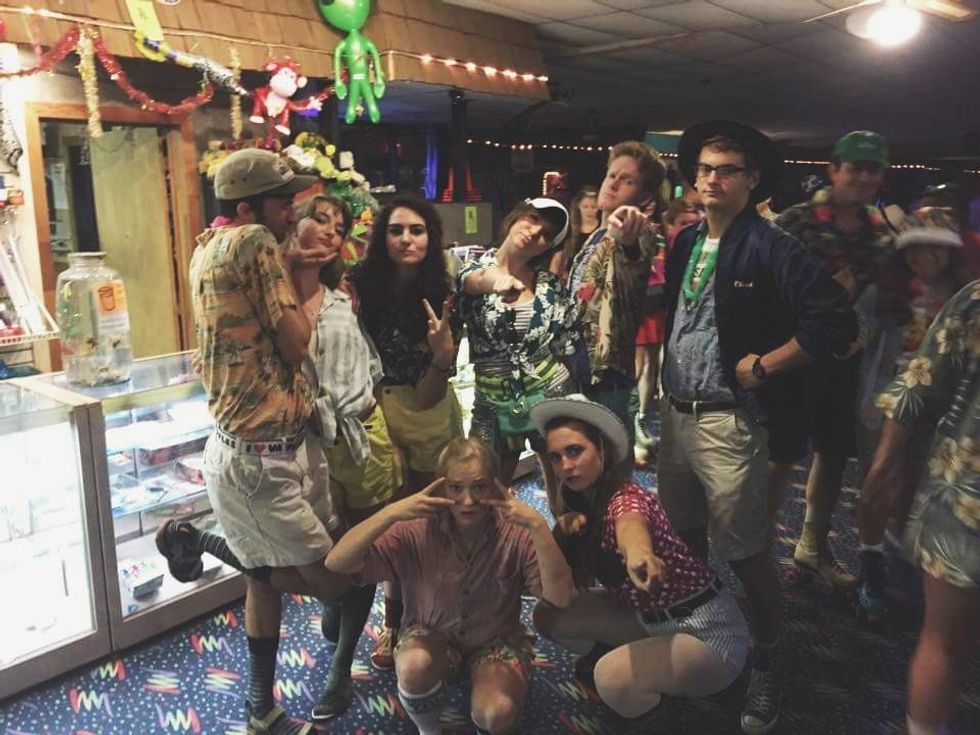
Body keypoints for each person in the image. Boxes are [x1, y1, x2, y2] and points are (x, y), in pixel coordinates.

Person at [659, 120, 857, 734]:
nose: (712, 180)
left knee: (744, 554)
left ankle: (767, 660)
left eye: (727, 171)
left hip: (728, 422)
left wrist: (767, 365)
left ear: (752, 181)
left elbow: (835, 322)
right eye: (705, 169)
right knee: (685, 540)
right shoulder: (687, 240)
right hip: (675, 413)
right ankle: (704, 640)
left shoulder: (772, 246)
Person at [161, 149, 348, 735]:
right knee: (330, 582)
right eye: (283, 202)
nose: (294, 212)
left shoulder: (208, 243)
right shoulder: (256, 241)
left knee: (261, 583)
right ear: (247, 209)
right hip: (262, 460)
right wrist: (300, 278)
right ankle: (199, 539)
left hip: (263, 448)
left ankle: (260, 710)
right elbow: (297, 342)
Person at [324, 437, 574, 735]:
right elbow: (337, 562)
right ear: (442, 487)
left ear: (495, 486)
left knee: (497, 712)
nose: (467, 500)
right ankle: (428, 730)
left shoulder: (516, 529)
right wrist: (391, 512)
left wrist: (538, 526)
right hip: (431, 633)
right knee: (414, 666)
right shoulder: (416, 527)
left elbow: (560, 599)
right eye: (456, 488)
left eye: (479, 487)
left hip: (495, 640)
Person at [530, 395, 748, 722]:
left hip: (707, 632)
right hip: (650, 618)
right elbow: (556, 586)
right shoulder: (583, 505)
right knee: (548, 616)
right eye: (556, 457)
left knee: (610, 678)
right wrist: (558, 527)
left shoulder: (627, 499)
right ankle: (643, 671)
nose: (565, 466)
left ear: (603, 450)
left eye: (575, 451)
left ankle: (656, 692)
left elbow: (631, 527)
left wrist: (639, 556)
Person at [290, 194, 404, 719]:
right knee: (318, 553)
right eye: (320, 218)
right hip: (303, 446)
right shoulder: (268, 299)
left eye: (339, 225)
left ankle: (340, 669)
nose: (331, 231)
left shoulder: (343, 299)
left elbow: (369, 370)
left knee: (359, 553)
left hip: (361, 436)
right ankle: (336, 604)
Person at [773, 130, 895, 589]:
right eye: (856, 167)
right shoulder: (797, 221)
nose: (864, 177)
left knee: (833, 454)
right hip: (794, 356)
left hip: (846, 363)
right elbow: (765, 284)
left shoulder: (880, 235)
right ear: (834, 169)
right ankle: (755, 548)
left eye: (873, 169)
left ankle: (811, 546)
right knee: (779, 455)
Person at [859, 280, 980, 735]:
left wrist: (881, 465)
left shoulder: (975, 298)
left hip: (963, 502)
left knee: (944, 641)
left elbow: (919, 386)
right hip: (963, 505)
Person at [350, 196, 463, 669]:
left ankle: (436, 620)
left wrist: (442, 355)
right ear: (382, 237)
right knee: (394, 523)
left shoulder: (446, 293)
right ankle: (394, 621)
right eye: (396, 230)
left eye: (417, 230)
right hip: (377, 410)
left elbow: (431, 393)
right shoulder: (360, 285)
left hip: (429, 407)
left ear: (431, 237)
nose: (406, 239)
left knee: (436, 522)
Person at [855, 212, 971, 624]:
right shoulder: (885, 293)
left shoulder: (964, 297)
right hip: (886, 403)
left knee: (916, 490)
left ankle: (900, 569)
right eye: (917, 247)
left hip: (942, 413)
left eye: (936, 247)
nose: (926, 255)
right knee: (876, 486)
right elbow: (858, 342)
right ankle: (871, 571)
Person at [457, 198, 578, 487]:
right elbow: (478, 279)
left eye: (546, 234)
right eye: (533, 219)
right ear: (517, 216)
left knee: (565, 482)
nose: (534, 232)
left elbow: (564, 350)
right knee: (484, 484)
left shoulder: (552, 287)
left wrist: (574, 402)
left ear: (548, 247)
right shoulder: (474, 269)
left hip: (551, 391)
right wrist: (499, 281)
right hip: (492, 400)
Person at [567, 141, 667, 452]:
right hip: (578, 369)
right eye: (612, 175)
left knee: (609, 467)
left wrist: (627, 237)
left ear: (645, 196)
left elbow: (634, 250)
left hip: (606, 376)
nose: (613, 183)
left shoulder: (638, 230)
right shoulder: (594, 236)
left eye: (628, 180)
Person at [633, 200, 704, 464]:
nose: (689, 228)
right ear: (670, 224)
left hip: (666, 311)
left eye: (693, 223)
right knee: (640, 367)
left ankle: (646, 423)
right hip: (646, 307)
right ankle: (635, 425)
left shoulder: (696, 246)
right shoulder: (657, 241)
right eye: (683, 223)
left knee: (658, 367)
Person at [551, 186, 599, 280]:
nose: (589, 211)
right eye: (585, 207)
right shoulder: (570, 229)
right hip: (568, 279)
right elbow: (557, 259)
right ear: (578, 206)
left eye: (593, 207)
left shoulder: (603, 230)